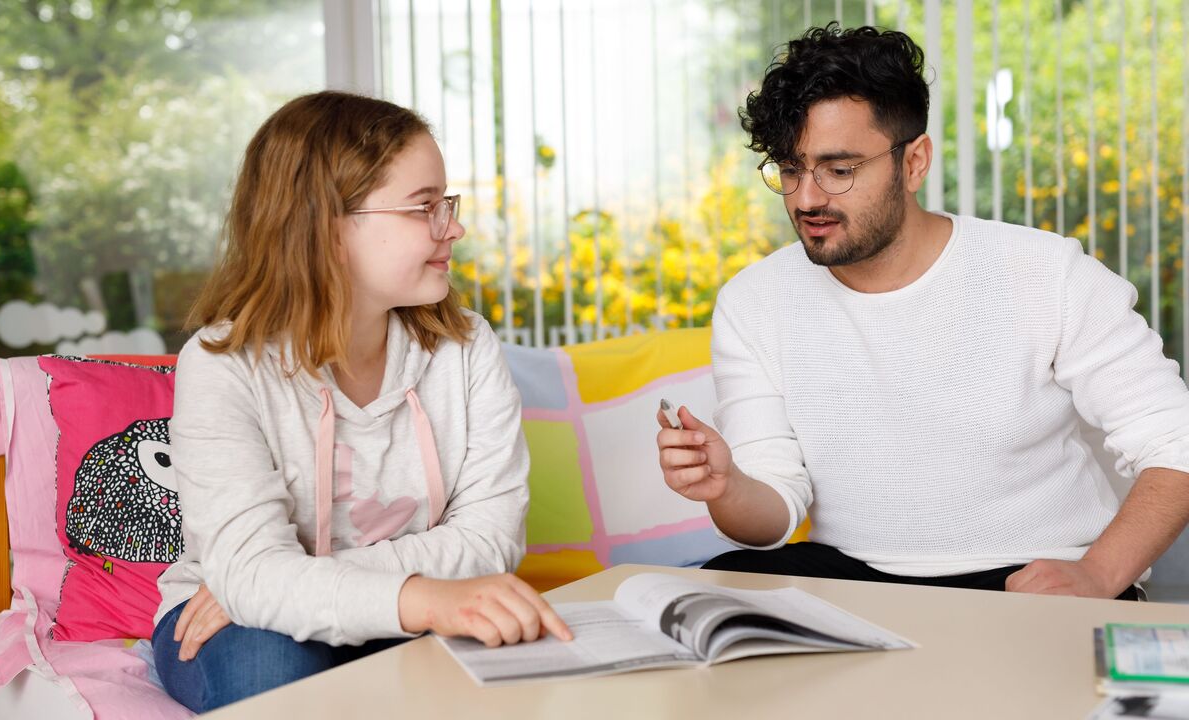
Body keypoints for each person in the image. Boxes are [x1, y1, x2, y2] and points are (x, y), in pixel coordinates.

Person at [655, 24, 1189, 601]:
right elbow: (772, 512)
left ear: (914, 162)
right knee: (712, 590)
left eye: (839, 170)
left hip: (1029, 575)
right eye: (790, 170)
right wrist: (727, 485)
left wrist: (1099, 574)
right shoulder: (753, 300)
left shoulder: (1046, 272)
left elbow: (1174, 444)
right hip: (858, 576)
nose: (807, 199)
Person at [151, 90, 571, 713]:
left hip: (413, 608)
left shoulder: (466, 345)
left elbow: (491, 540)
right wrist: (264, 586)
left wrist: (282, 580)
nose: (452, 227)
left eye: (446, 204)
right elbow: (253, 581)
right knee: (269, 661)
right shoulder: (222, 366)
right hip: (237, 625)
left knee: (528, 657)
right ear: (328, 227)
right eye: (424, 206)